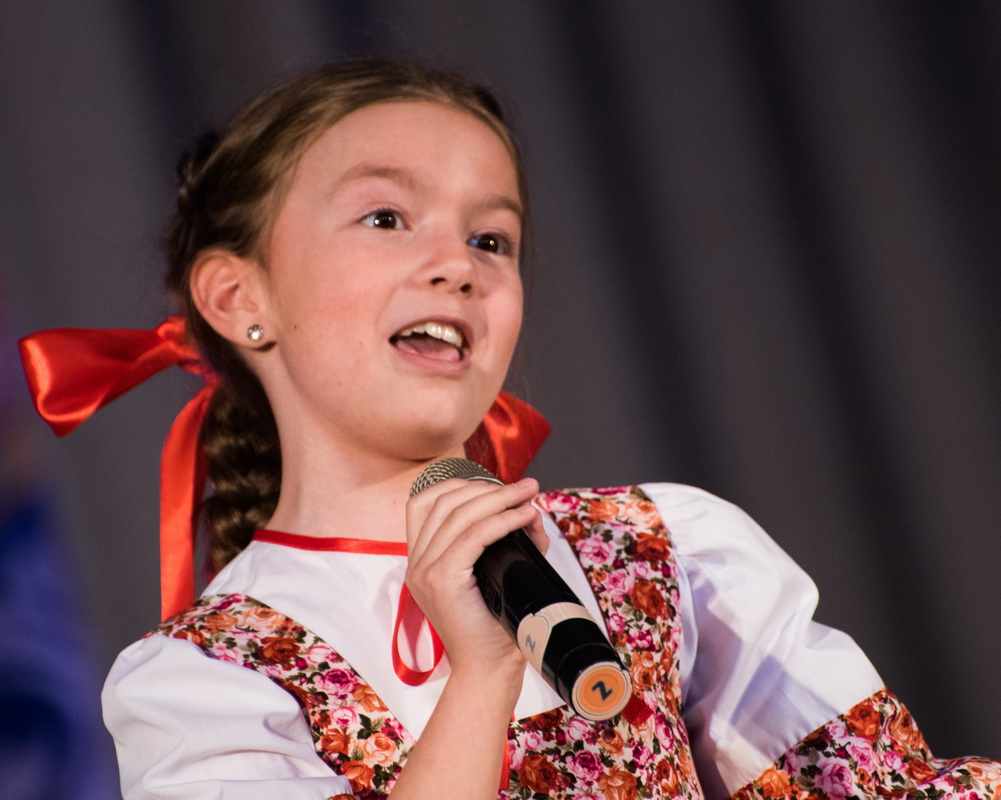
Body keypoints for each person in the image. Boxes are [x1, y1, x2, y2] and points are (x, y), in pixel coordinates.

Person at [18, 60, 1001, 800]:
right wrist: (482, 671)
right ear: (239, 298)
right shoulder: (205, 673)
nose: (458, 264)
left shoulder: (664, 549)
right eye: (385, 218)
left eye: (491, 238)